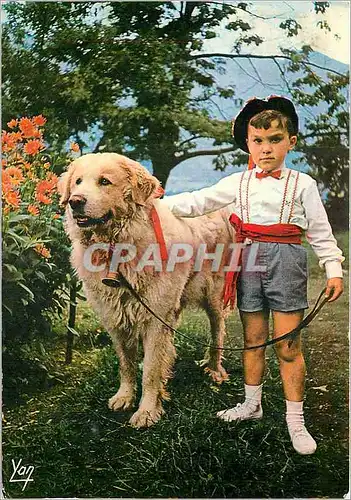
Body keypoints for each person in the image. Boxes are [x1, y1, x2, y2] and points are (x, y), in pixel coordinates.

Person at [161, 95, 344, 455]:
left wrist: (333, 268)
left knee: (287, 344)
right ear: (248, 143)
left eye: (275, 140)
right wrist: (154, 203)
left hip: (286, 261)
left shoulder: (302, 184)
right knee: (253, 339)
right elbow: (197, 201)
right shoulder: (238, 183)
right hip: (247, 261)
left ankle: (296, 420)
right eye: (258, 141)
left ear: (291, 141)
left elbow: (321, 233)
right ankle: (252, 404)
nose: (266, 148)